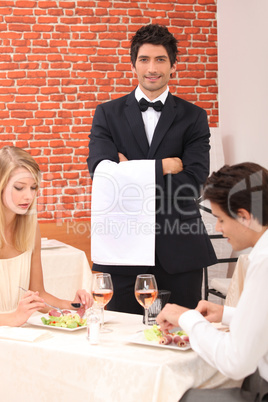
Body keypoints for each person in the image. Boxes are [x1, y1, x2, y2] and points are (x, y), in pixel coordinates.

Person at [87, 23, 217, 314]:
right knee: (121, 343)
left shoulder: (194, 117)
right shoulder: (106, 114)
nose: (152, 68)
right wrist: (164, 166)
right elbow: (102, 175)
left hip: (180, 251)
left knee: (183, 340)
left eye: (160, 59)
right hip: (122, 252)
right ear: (133, 64)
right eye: (144, 59)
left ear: (173, 66)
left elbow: (193, 182)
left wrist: (129, 172)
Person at [156, 162, 268, 401]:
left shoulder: (264, 262)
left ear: (244, 217)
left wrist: (187, 318)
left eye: (220, 219)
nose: (217, 228)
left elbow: (236, 362)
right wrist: (226, 314)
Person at [0, 146, 93, 327]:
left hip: (19, 332)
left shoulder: (30, 227)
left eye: (33, 187)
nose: (29, 196)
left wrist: (73, 305)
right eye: (19, 188)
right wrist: (12, 318)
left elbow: (38, 294)